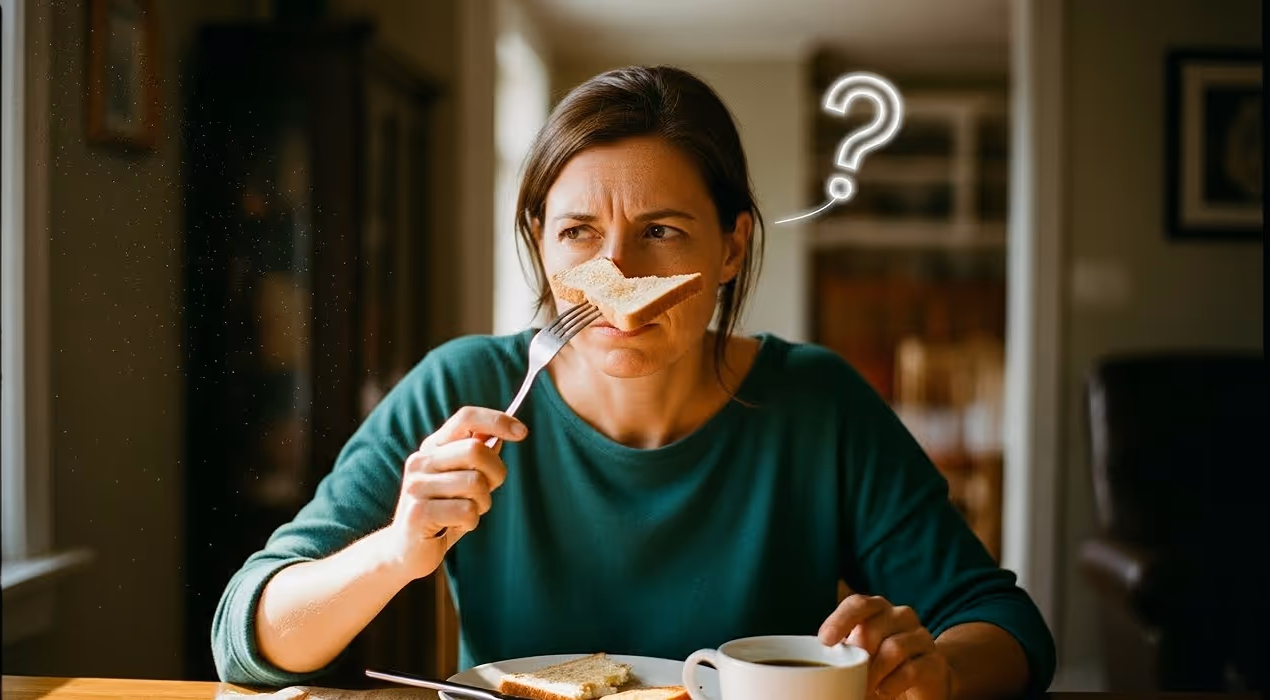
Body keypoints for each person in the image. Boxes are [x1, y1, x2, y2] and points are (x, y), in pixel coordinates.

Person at [212, 65, 1056, 700]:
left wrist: (933, 667)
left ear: (729, 249)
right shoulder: (461, 385)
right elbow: (245, 635)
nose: (614, 274)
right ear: (542, 243)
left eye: (660, 231)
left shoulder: (818, 403)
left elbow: (1011, 629)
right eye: (578, 232)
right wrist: (395, 553)